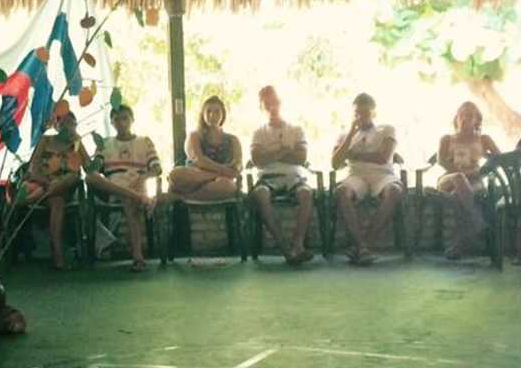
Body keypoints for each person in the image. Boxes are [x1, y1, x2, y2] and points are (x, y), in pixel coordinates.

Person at [85, 103, 162, 271]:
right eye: (116, 119)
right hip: (112, 187)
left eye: (125, 118)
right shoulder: (104, 143)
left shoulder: (144, 141)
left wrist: (142, 178)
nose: (121, 122)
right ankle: (142, 199)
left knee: (129, 199)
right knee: (90, 177)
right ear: (111, 123)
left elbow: (157, 168)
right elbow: (94, 169)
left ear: (132, 120)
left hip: (135, 184)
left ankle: (138, 258)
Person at [331, 93, 402, 265]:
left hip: (382, 174)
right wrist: (350, 134)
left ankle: (364, 245)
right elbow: (335, 163)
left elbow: (383, 157)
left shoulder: (386, 129)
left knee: (394, 191)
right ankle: (363, 246)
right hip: (356, 175)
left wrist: (354, 154)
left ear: (373, 113)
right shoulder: (344, 136)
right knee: (341, 192)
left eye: (365, 113)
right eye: (357, 113)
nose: (360, 117)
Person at [249, 85, 315, 266]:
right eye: (267, 104)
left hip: (294, 176)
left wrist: (270, 154)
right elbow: (257, 161)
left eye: (275, 102)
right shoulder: (259, 133)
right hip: (268, 178)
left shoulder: (296, 129)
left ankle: (297, 245)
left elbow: (301, 158)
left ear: (280, 103)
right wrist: (284, 152)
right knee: (260, 194)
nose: (272, 107)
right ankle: (286, 250)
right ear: (262, 107)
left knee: (306, 194)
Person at [435, 102, 501, 259]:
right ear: (456, 119)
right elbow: (441, 161)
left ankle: (459, 245)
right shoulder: (447, 139)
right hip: (449, 178)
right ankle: (478, 222)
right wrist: (463, 173)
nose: (464, 119)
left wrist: (480, 171)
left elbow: (500, 159)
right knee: (459, 178)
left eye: (469, 116)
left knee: (459, 197)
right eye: (461, 115)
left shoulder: (484, 139)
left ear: (476, 120)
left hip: (474, 180)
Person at [23, 109, 86, 269]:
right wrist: (45, 181)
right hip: (42, 184)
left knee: (69, 179)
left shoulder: (77, 144)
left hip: (64, 188)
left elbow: (88, 167)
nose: (67, 127)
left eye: (72, 124)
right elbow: (33, 168)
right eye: (64, 123)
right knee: (57, 201)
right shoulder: (45, 141)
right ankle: (58, 257)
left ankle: (27, 201)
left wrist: (81, 147)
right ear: (57, 126)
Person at [165, 95, 242, 201]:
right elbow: (200, 161)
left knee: (228, 186)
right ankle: (204, 192)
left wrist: (231, 171)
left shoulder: (233, 140)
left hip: (220, 182)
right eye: (208, 111)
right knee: (175, 175)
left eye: (217, 112)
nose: (212, 115)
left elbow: (237, 167)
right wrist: (222, 171)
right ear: (203, 114)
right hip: (195, 178)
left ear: (223, 114)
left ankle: (183, 198)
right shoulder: (194, 136)